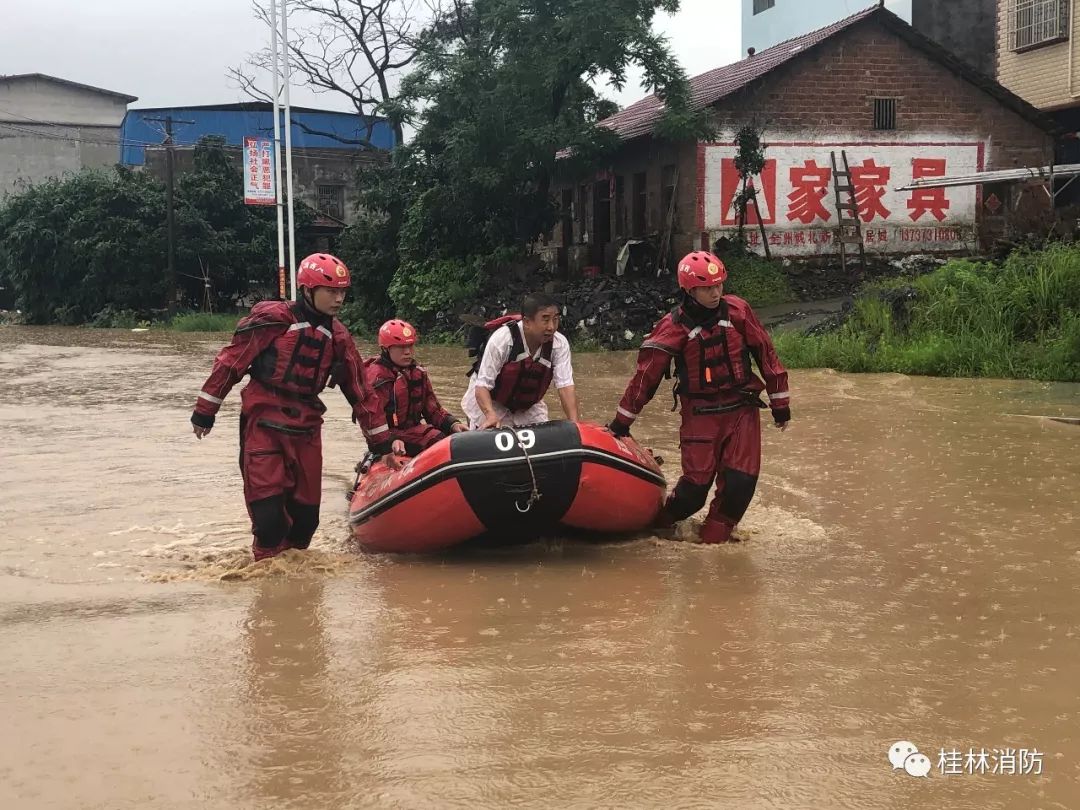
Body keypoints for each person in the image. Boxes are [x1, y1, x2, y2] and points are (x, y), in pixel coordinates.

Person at [190, 253, 401, 561]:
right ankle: (266, 579)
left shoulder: (339, 336)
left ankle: (296, 584)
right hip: (263, 422)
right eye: (331, 291)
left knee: (306, 523)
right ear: (307, 289)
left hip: (306, 427)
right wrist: (205, 411)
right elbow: (230, 362)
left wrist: (381, 444)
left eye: (343, 291)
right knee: (269, 521)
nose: (339, 298)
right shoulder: (272, 319)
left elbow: (360, 389)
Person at [606, 251, 791, 544]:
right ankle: (654, 527)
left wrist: (781, 405)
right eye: (707, 288)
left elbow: (767, 355)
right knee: (693, 492)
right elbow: (646, 377)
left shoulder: (738, 311)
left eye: (719, 285)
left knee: (740, 486)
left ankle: (712, 546)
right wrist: (621, 422)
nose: (716, 292)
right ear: (689, 290)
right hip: (701, 414)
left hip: (741, 408)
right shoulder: (672, 327)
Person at [461, 292, 579, 430]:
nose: (551, 327)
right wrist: (490, 415)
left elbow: (565, 387)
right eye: (545, 320)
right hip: (491, 401)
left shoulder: (559, 344)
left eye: (555, 319)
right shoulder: (503, 340)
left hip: (527, 406)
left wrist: (575, 425)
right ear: (527, 322)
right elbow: (482, 386)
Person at [365, 318, 468, 457]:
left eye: (410, 346)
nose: (407, 352)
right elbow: (371, 420)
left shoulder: (418, 373)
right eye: (401, 347)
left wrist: (452, 424)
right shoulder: (377, 378)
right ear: (386, 349)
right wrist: (389, 441)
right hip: (389, 436)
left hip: (413, 432)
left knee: (451, 439)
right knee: (436, 438)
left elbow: (433, 409)